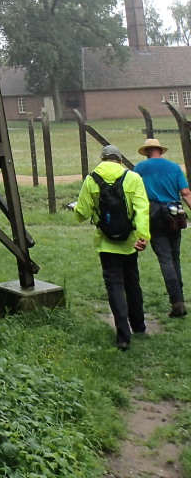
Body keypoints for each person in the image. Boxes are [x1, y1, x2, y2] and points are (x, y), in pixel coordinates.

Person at [74, 144, 150, 350]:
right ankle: (139, 325)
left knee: (114, 285)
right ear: (119, 159)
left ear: (102, 158)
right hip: (130, 241)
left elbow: (82, 212)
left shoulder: (91, 179)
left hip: (106, 243)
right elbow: (142, 209)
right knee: (132, 282)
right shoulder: (133, 178)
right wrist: (143, 236)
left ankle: (123, 336)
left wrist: (77, 210)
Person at [133, 137, 191, 318]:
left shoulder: (140, 168)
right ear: (160, 151)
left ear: (147, 152)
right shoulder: (174, 167)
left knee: (165, 259)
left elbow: (134, 192)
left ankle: (177, 302)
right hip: (174, 215)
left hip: (154, 214)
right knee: (175, 258)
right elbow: (185, 193)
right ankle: (179, 299)